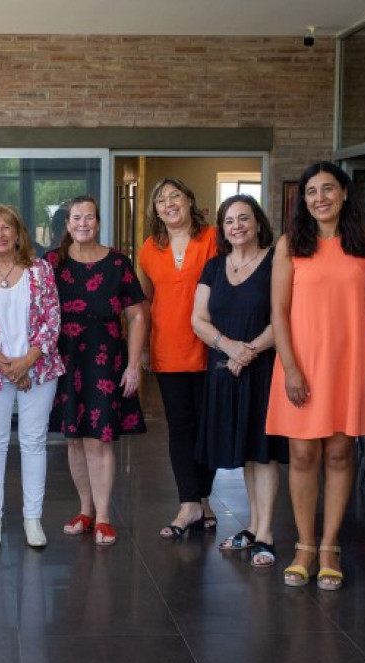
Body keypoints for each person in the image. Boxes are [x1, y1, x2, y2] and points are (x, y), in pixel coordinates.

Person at [266, 161, 365, 591]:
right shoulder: (291, 244)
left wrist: (348, 333)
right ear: (303, 200)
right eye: (312, 192)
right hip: (301, 362)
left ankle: (330, 546)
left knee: (339, 454)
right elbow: (278, 309)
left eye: (328, 189)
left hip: (348, 362)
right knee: (303, 456)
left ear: (344, 194)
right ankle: (305, 546)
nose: (320, 199)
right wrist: (291, 366)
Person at [191, 194, 287, 568]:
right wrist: (230, 348)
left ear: (258, 223)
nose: (237, 227)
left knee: (263, 453)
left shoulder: (277, 261)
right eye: (229, 221)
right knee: (247, 451)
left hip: (263, 368)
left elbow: (286, 315)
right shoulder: (215, 267)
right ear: (223, 229)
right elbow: (198, 319)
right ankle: (252, 525)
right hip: (226, 369)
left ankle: (267, 534)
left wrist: (250, 351)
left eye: (243, 219)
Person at [48, 196, 147, 547]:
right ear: (68, 224)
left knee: (99, 440)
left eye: (90, 217)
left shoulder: (119, 263)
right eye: (77, 218)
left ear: (99, 222)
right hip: (65, 360)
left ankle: (104, 516)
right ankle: (85, 509)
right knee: (74, 439)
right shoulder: (52, 263)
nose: (83, 223)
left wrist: (134, 365)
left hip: (106, 360)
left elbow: (136, 316)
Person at [0, 204, 64, 548]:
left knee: (34, 442)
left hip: (39, 368)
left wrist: (27, 362)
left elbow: (52, 321)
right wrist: (8, 366)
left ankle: (32, 519)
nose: (0, 234)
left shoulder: (40, 270)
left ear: (18, 232)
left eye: (7, 227)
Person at [137, 178, 219, 538]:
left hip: (212, 346)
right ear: (155, 211)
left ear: (190, 201)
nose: (168, 204)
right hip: (168, 348)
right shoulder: (149, 248)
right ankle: (189, 502)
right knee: (181, 427)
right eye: (161, 200)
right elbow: (145, 301)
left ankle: (202, 497)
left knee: (209, 427)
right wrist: (140, 347)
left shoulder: (214, 238)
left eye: (175, 196)